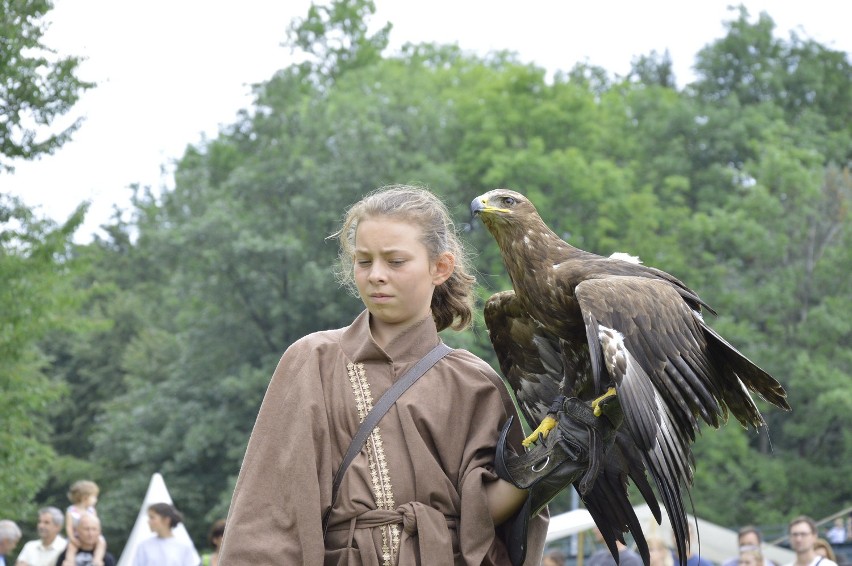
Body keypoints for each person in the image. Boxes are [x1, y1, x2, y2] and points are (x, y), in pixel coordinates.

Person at [219, 185, 549, 564]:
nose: (376, 275)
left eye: (395, 262)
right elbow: (268, 514)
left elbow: (485, 518)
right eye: (364, 261)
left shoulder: (475, 382)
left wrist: (549, 463)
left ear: (440, 267)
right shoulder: (314, 360)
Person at [63, 480, 107, 566]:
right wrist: (72, 538)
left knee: (101, 542)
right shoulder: (71, 510)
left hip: (91, 538)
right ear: (85, 497)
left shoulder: (91, 510)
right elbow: (69, 527)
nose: (96, 500)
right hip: (76, 537)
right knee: (71, 547)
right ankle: (70, 561)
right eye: (94, 497)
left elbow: (96, 525)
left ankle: (97, 559)